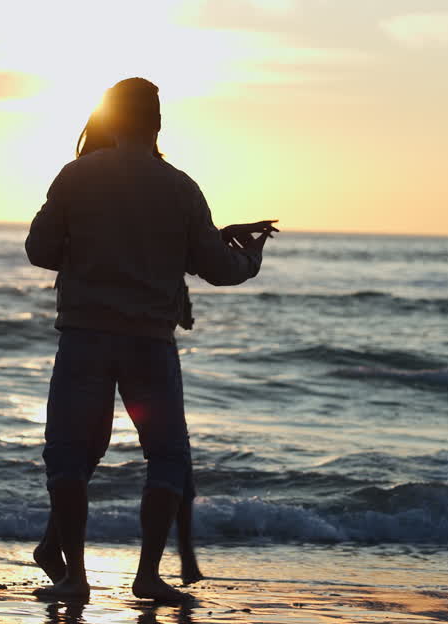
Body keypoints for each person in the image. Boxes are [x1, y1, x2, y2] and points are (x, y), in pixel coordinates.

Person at [25, 77, 275, 602]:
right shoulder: (179, 187)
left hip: (85, 337)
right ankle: (147, 575)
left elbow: (41, 250)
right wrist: (251, 254)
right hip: (149, 344)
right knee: (166, 455)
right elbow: (219, 268)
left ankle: (75, 577)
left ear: (113, 120)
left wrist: (93, 247)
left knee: (69, 456)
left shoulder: (76, 177)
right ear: (158, 122)